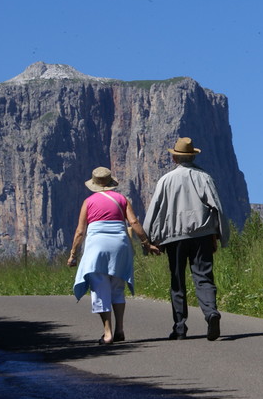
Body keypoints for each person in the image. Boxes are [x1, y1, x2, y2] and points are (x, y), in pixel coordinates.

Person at [143, 136, 231, 341]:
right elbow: (217, 207)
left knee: (177, 280)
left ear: (175, 158)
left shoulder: (165, 180)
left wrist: (148, 240)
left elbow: (154, 211)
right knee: (203, 276)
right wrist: (219, 235)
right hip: (202, 235)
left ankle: (180, 326)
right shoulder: (204, 177)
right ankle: (211, 313)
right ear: (192, 156)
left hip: (174, 238)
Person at [68, 167, 161, 344]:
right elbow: (133, 222)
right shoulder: (122, 199)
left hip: (97, 247)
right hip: (120, 246)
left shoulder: (88, 202)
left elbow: (80, 232)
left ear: (94, 184)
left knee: (100, 288)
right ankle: (120, 329)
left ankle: (108, 333)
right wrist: (146, 244)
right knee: (117, 288)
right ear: (111, 183)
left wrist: (73, 254)